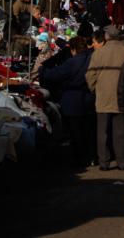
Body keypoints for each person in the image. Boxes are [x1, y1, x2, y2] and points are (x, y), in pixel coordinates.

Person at [40, 36, 95, 169]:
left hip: (72, 100)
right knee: (88, 130)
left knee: (75, 132)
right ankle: (91, 157)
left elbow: (55, 74)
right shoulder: (92, 58)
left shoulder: (72, 62)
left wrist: (43, 70)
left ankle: (80, 159)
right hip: (88, 99)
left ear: (73, 49)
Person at [86, 25, 124, 171]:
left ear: (106, 37)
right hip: (122, 95)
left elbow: (90, 75)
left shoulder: (99, 53)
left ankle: (104, 162)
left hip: (103, 95)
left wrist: (94, 88)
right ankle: (122, 161)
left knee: (102, 131)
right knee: (121, 131)